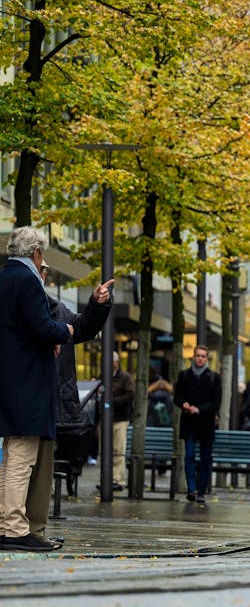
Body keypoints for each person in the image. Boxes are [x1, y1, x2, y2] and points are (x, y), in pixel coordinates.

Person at [0, 226, 77, 551]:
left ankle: (5, 522)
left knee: (9, 457)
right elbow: (39, 325)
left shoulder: (3, 277)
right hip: (26, 381)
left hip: (7, 378)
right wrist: (65, 330)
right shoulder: (27, 280)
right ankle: (16, 529)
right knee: (21, 458)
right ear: (36, 253)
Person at [49, 264, 112, 498]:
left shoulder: (57, 310)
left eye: (45, 270)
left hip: (50, 407)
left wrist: (97, 304)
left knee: (39, 468)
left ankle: (27, 527)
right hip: (19, 406)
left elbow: (83, 326)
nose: (42, 273)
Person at [174, 345, 221, 503]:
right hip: (189, 423)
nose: (200, 359)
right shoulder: (184, 376)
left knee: (205, 458)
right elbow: (177, 397)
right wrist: (184, 404)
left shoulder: (214, 378)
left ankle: (201, 491)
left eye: (203, 356)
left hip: (206, 424)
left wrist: (199, 409)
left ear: (207, 358)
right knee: (189, 455)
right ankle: (192, 489)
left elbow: (216, 402)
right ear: (193, 357)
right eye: (198, 356)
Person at [107, 352, 134, 492]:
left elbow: (130, 395)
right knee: (107, 450)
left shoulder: (124, 377)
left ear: (116, 362)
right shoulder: (105, 375)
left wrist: (113, 401)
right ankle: (107, 477)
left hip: (120, 418)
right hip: (107, 419)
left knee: (118, 449)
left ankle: (117, 479)